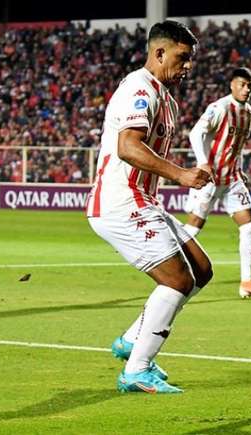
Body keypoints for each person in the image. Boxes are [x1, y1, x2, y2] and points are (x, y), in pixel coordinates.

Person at [85, 21, 212, 394]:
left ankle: (130, 342)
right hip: (120, 202)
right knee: (177, 280)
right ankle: (136, 370)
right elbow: (128, 146)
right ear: (159, 53)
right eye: (182, 57)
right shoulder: (139, 88)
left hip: (143, 201)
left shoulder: (165, 96)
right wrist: (181, 175)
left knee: (201, 270)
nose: (188, 66)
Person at [182, 67, 251, 299]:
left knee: (249, 226)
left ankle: (247, 282)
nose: (246, 89)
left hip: (231, 178)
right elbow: (195, 134)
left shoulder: (250, 113)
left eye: (249, 85)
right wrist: (203, 163)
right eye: (242, 84)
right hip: (210, 177)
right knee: (192, 228)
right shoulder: (219, 108)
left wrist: (239, 169)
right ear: (231, 85)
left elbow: (237, 146)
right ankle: (169, 266)